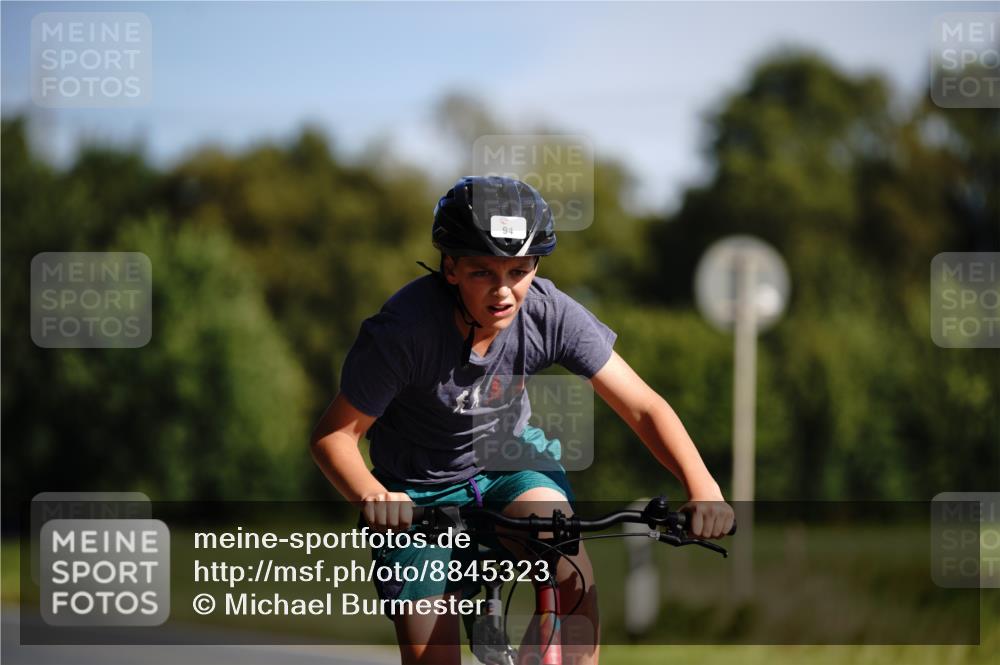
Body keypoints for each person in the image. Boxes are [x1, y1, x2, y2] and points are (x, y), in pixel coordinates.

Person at [310, 175, 735, 665]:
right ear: (450, 267)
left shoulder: (548, 312)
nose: (504, 291)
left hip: (509, 461)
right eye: (482, 272)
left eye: (519, 270)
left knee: (566, 554)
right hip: (417, 489)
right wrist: (373, 496)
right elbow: (333, 436)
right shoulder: (404, 331)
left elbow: (643, 406)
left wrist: (703, 487)